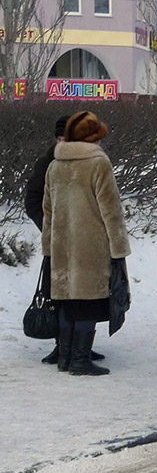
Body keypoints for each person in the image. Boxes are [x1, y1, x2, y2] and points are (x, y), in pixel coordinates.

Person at [42, 111, 131, 376]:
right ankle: (80, 361)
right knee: (88, 301)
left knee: (68, 302)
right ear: (92, 138)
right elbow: (111, 211)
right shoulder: (98, 164)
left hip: (61, 247)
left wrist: (48, 247)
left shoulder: (54, 165)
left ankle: (65, 359)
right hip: (91, 246)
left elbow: (48, 211)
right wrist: (119, 249)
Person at [23, 115, 105, 365]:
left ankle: (75, 350)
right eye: (59, 138)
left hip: (81, 242)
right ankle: (64, 349)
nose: (62, 141)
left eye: (65, 137)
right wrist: (50, 228)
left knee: (81, 297)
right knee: (58, 296)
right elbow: (34, 201)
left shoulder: (88, 161)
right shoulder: (49, 163)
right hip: (59, 243)